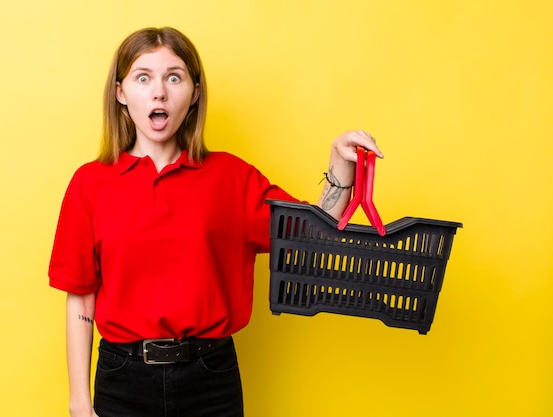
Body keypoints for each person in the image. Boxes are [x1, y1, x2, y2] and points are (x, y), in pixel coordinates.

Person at [48, 26, 383, 417]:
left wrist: (340, 161)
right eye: (144, 78)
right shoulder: (90, 183)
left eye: (174, 77)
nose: (159, 92)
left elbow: (313, 231)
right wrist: (79, 402)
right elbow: (81, 297)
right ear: (121, 93)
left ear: (194, 93)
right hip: (123, 378)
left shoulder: (231, 177)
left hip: (210, 378)